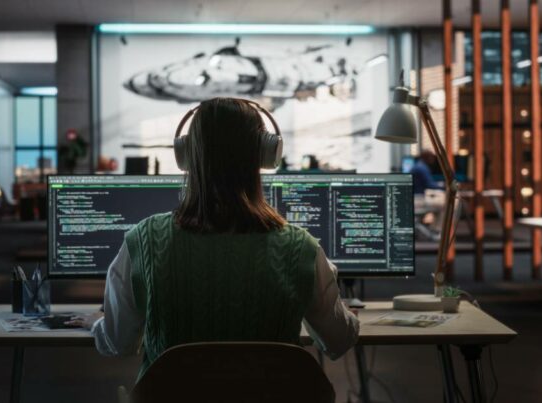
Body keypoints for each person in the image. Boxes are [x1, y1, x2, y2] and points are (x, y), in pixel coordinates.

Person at [67, 98, 360, 379]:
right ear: (266, 154)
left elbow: (119, 343)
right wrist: (331, 297)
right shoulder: (301, 248)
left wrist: (98, 324)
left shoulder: (142, 240)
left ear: (184, 154)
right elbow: (339, 341)